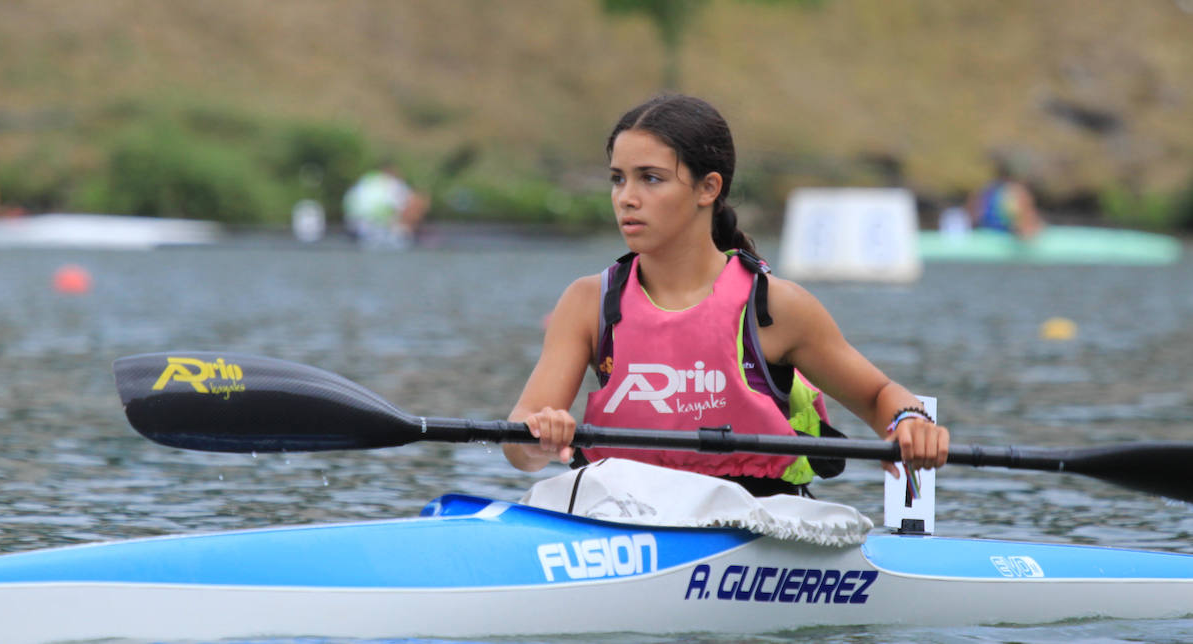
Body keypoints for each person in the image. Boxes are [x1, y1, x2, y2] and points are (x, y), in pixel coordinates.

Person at [504, 94, 948, 497]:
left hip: (756, 522)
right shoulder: (587, 303)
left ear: (708, 188)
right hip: (623, 513)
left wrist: (909, 422)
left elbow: (880, 396)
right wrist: (539, 434)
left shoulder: (774, 307)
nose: (626, 198)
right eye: (618, 179)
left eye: (651, 179)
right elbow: (519, 447)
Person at [342, 164, 429, 248]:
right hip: (378, 234)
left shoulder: (365, 180)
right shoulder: (392, 184)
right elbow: (412, 204)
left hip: (354, 231)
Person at [967, 156, 1043, 239]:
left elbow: (972, 218)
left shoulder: (985, 190)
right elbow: (1025, 227)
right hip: (1006, 240)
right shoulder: (1016, 192)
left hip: (983, 237)